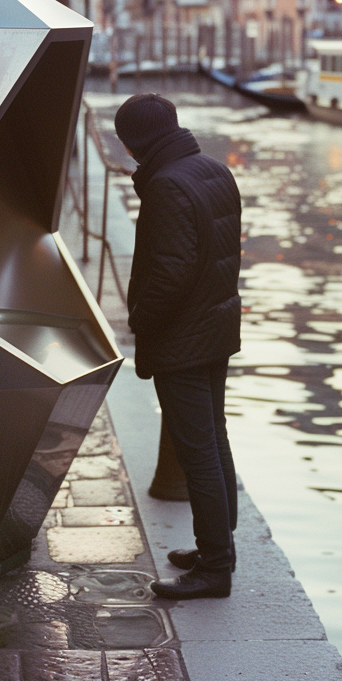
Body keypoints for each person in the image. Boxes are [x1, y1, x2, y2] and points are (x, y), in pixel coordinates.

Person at [114, 93, 242, 600]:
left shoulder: (167, 185)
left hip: (185, 337)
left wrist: (142, 321)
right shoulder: (213, 170)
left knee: (198, 453)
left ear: (136, 142)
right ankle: (219, 545)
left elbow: (170, 272)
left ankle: (214, 569)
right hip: (215, 326)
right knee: (215, 437)